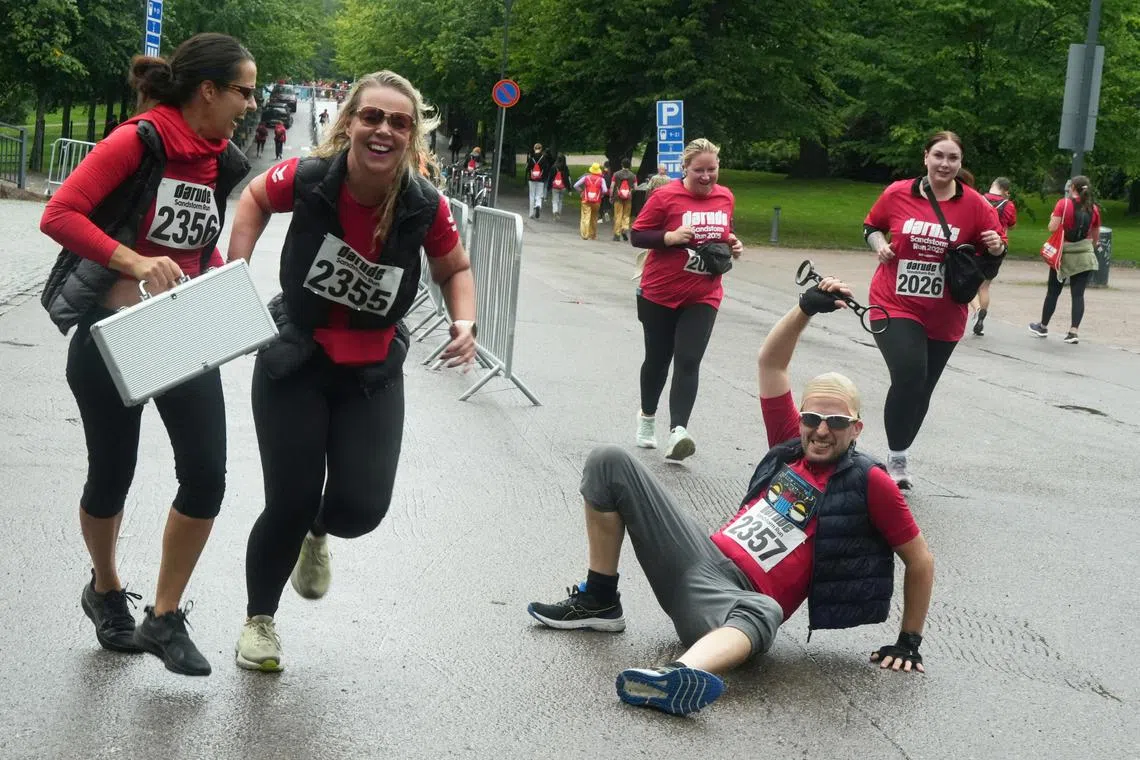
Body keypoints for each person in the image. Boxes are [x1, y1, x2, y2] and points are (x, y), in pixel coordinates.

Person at [527, 277, 934, 716]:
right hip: (696, 558)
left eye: (835, 421)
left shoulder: (870, 480)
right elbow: (771, 364)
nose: (820, 430)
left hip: (735, 604)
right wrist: (805, 308)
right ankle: (601, 600)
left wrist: (908, 641)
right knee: (609, 461)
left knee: (766, 611)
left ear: (856, 428)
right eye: (812, 416)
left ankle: (676, 676)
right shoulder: (789, 444)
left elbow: (920, 559)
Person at [225, 70, 477, 672]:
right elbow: (257, 195)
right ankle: (259, 622)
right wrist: (234, 270)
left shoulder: (424, 203)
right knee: (287, 499)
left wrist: (465, 322)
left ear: (411, 135)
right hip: (298, 356)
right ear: (350, 124)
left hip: (372, 367)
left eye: (399, 121)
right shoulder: (312, 180)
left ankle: (321, 527)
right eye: (372, 117)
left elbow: (455, 269)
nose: (383, 129)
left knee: (362, 509)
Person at [38, 33, 256, 676]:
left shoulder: (222, 158)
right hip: (113, 333)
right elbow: (59, 213)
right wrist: (133, 261)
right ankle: (104, 589)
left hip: (182, 332)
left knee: (207, 474)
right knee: (112, 475)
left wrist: (218, 279)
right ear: (207, 90)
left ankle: (164, 617)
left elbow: (197, 241)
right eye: (243, 90)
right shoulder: (139, 140)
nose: (250, 103)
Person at [863, 130, 1006, 489]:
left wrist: (995, 246)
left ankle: (901, 451)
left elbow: (994, 252)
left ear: (960, 163)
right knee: (910, 373)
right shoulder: (898, 192)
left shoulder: (975, 204)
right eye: (939, 155)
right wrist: (879, 244)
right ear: (925, 156)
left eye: (953, 158)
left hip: (945, 310)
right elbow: (870, 226)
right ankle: (895, 459)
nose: (945, 164)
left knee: (923, 387)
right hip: (893, 300)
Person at [629, 138, 742, 461]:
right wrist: (669, 237)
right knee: (658, 359)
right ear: (685, 170)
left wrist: (733, 243)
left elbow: (723, 233)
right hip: (661, 293)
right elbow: (637, 234)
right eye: (699, 171)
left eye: (712, 169)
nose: (706, 177)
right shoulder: (666, 197)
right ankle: (647, 418)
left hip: (704, 293)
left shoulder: (725, 197)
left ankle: (678, 431)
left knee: (689, 360)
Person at [1029, 175, 1100, 345]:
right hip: (1084, 254)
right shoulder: (1094, 208)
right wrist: (1093, 247)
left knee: (1053, 292)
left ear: (1073, 186)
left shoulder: (1064, 203)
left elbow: (1053, 227)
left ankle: (1043, 326)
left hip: (1064, 254)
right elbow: (1095, 234)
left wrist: (1055, 217)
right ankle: (1073, 332)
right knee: (1078, 295)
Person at [973, 177, 1017, 336]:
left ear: (992, 186)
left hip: (977, 245)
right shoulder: (1008, 205)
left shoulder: (979, 199)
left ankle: (976, 308)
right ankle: (981, 316)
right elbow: (1012, 225)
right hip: (996, 247)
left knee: (970, 282)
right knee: (985, 286)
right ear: (1006, 191)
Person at [574, 163, 607, 240]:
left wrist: (581, 191)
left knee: (585, 217)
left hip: (586, 199)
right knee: (594, 218)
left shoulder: (586, 177)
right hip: (596, 201)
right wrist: (601, 194)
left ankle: (585, 234)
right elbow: (605, 190)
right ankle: (593, 235)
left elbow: (575, 185)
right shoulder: (602, 179)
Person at [610, 157, 637, 241]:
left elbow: (612, 186)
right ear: (629, 165)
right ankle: (624, 229)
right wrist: (630, 191)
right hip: (628, 198)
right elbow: (636, 188)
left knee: (618, 215)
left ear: (621, 164)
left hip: (617, 197)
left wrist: (611, 196)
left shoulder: (616, 174)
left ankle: (617, 234)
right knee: (626, 215)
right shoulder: (633, 176)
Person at [525, 143, 549, 219]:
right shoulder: (544, 158)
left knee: (532, 195)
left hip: (532, 179)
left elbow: (528, 168)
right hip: (541, 179)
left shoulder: (531, 157)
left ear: (534, 148)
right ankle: (538, 205)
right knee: (539, 195)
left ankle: (531, 213)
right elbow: (546, 169)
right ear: (541, 149)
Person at [548, 153, 570, 223]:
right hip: (563, 186)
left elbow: (550, 178)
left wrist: (548, 187)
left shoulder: (553, 167)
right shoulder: (565, 167)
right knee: (560, 200)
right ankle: (559, 214)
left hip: (555, 187)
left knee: (555, 200)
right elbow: (567, 179)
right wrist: (569, 189)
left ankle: (555, 211)